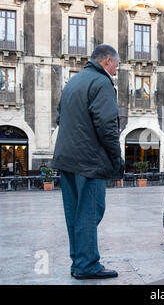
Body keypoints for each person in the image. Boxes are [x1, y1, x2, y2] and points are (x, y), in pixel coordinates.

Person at [53, 44, 124, 280]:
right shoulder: (102, 83)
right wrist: (116, 157)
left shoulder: (73, 82)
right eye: (116, 65)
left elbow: (59, 116)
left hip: (67, 159)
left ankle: (79, 261)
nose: (116, 70)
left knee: (74, 213)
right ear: (106, 61)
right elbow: (107, 125)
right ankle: (87, 264)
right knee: (91, 211)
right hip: (90, 161)